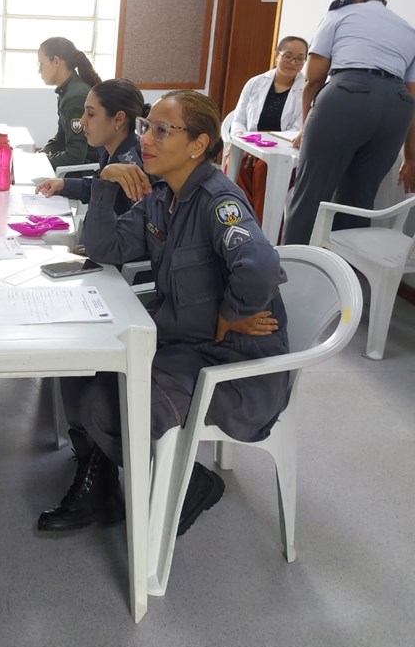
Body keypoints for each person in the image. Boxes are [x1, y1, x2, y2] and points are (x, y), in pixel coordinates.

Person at [37, 91, 289, 536]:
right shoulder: (161, 197)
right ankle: (102, 490)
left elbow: (261, 267)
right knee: (77, 370)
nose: (146, 138)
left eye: (160, 130)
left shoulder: (218, 201)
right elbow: (105, 247)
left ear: (198, 144)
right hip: (183, 345)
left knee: (106, 404)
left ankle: (191, 482)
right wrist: (104, 184)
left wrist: (229, 314)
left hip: (231, 363)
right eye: (145, 127)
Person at [283, 0, 415, 244]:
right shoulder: (409, 30)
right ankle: (344, 278)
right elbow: (412, 95)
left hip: (347, 96)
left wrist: (306, 127)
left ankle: (291, 274)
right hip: (396, 108)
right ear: (384, 2)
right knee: (359, 199)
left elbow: (314, 78)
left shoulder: (339, 14)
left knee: (311, 191)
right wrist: (411, 158)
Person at [35, 78, 147, 217]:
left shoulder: (132, 166)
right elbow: (100, 184)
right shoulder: (112, 150)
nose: (82, 121)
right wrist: (64, 184)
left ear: (118, 119)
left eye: (91, 114)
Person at [229, 36, 308, 222]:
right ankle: (241, 220)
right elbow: (238, 120)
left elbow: (298, 130)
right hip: (249, 147)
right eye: (288, 56)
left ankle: (261, 226)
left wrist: (262, 141)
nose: (293, 62)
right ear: (276, 56)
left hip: (283, 152)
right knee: (239, 163)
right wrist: (247, 142)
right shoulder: (255, 83)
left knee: (263, 169)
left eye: (300, 58)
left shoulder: (306, 90)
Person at [36, 37, 101, 168]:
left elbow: (75, 156)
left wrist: (43, 163)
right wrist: (43, 153)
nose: (39, 70)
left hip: (86, 170)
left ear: (56, 61)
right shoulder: (67, 90)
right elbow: (61, 138)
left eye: (41, 64)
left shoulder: (75, 96)